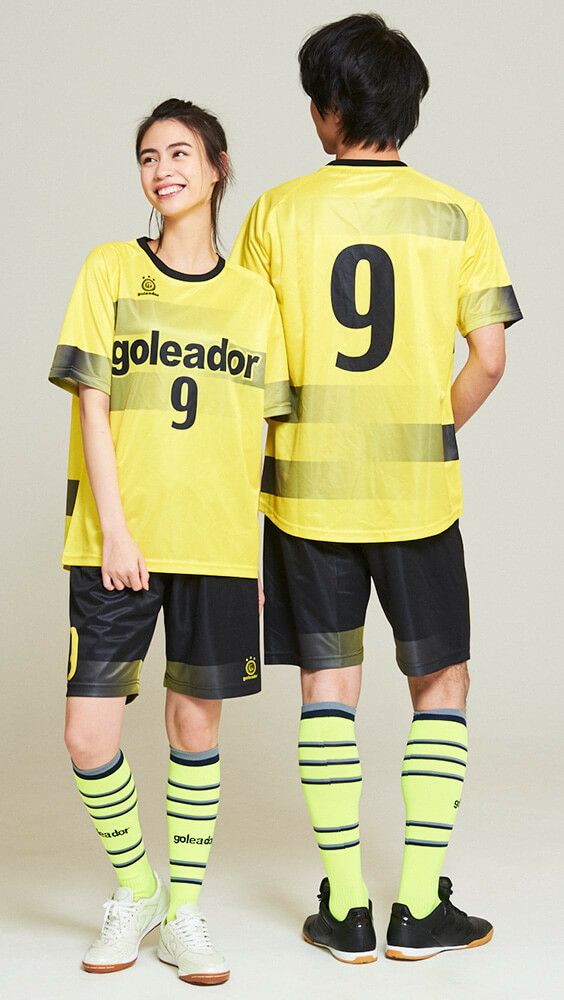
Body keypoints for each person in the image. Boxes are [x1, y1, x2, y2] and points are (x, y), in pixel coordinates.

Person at [232, 13, 522, 963]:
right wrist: (428, 432)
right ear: (408, 107)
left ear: (327, 111)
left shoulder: (274, 214)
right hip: (417, 496)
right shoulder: (456, 212)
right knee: (441, 682)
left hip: (304, 494)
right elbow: (490, 360)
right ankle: (421, 906)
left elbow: (248, 369)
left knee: (330, 685)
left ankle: (349, 910)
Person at [49, 98, 290, 984]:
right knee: (88, 734)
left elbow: (261, 438)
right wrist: (115, 530)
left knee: (195, 728)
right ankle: (138, 888)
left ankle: (184, 911)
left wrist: (255, 555)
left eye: (181, 154)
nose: (163, 171)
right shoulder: (111, 267)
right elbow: (93, 406)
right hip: (116, 542)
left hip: (217, 546)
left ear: (217, 166)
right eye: (149, 157)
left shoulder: (255, 297)